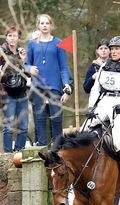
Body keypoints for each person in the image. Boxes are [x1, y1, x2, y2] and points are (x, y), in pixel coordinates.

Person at [84, 35, 120, 188]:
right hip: (104, 102)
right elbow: (96, 88)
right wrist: (91, 107)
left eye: (117, 49)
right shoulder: (105, 65)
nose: (114, 52)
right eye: (112, 49)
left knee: (116, 141)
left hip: (119, 103)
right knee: (86, 128)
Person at [25, 14, 72, 146]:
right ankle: (42, 148)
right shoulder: (32, 44)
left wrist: (66, 85)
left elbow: (63, 67)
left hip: (55, 87)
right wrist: (29, 68)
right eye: (42, 23)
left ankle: (57, 149)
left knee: (56, 119)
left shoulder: (58, 43)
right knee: (39, 119)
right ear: (38, 26)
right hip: (37, 87)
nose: (44, 25)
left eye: (47, 23)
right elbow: (25, 64)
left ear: (51, 25)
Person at [0, 25, 28, 153]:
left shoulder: (22, 52)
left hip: (22, 92)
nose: (12, 38)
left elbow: (28, 74)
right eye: (9, 36)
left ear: (19, 38)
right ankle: (7, 154)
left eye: (14, 36)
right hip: (7, 93)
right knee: (8, 127)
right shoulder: (1, 52)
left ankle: (19, 152)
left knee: (23, 126)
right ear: (6, 37)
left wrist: (23, 61)